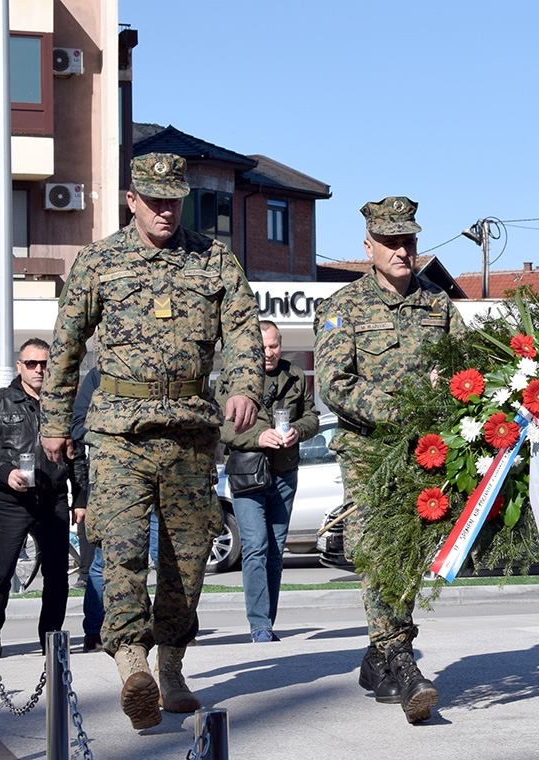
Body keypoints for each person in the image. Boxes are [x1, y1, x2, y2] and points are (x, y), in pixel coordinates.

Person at [39, 153, 263, 730]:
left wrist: (243, 387)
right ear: (131, 199)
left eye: (174, 199)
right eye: (154, 199)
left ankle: (171, 667)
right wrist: (56, 422)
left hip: (190, 432)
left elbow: (242, 332)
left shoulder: (213, 259)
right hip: (118, 432)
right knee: (123, 551)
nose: (165, 209)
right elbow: (64, 348)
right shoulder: (99, 262)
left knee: (187, 564)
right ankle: (132, 663)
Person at [314, 196, 466, 724]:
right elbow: (335, 384)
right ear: (368, 247)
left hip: (427, 456)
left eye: (409, 240)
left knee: (412, 551)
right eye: (391, 242)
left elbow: (462, 373)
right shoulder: (343, 308)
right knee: (381, 552)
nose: (403, 250)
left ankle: (376, 657)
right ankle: (401, 660)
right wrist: (404, 411)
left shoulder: (438, 304)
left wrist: (448, 396)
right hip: (368, 453)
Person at [0, 339, 88, 656]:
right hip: (10, 500)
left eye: (44, 363)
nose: (39, 369)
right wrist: (4, 472)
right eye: (32, 363)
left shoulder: (62, 404)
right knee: (1, 570)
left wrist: (80, 498)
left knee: (57, 574)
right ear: (19, 366)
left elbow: (77, 457)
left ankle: (51, 637)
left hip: (53, 498)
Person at [217, 320, 318, 643]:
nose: (269, 352)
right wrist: (258, 437)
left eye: (273, 346)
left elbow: (312, 417)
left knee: (275, 551)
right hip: (247, 474)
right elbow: (220, 427)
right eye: (262, 347)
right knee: (256, 546)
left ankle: (267, 623)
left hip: (285, 473)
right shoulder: (233, 380)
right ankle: (259, 626)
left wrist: (297, 432)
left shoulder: (295, 376)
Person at [73, 367, 160, 655]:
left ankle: (173, 630)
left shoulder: (162, 366)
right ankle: (95, 631)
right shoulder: (98, 377)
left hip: (163, 478)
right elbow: (77, 426)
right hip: (115, 481)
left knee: (169, 559)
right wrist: (120, 436)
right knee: (103, 562)